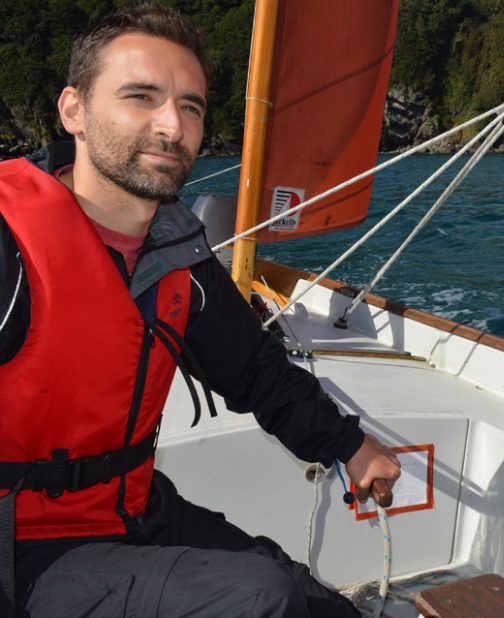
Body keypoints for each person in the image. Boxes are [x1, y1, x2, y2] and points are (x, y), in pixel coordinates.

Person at [0, 2, 401, 616]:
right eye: (141, 97)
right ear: (73, 110)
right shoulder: (11, 246)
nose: (172, 125)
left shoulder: (176, 253)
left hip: (133, 512)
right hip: (23, 554)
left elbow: (255, 371)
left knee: (314, 602)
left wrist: (349, 445)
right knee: (262, 598)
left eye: (190, 106)